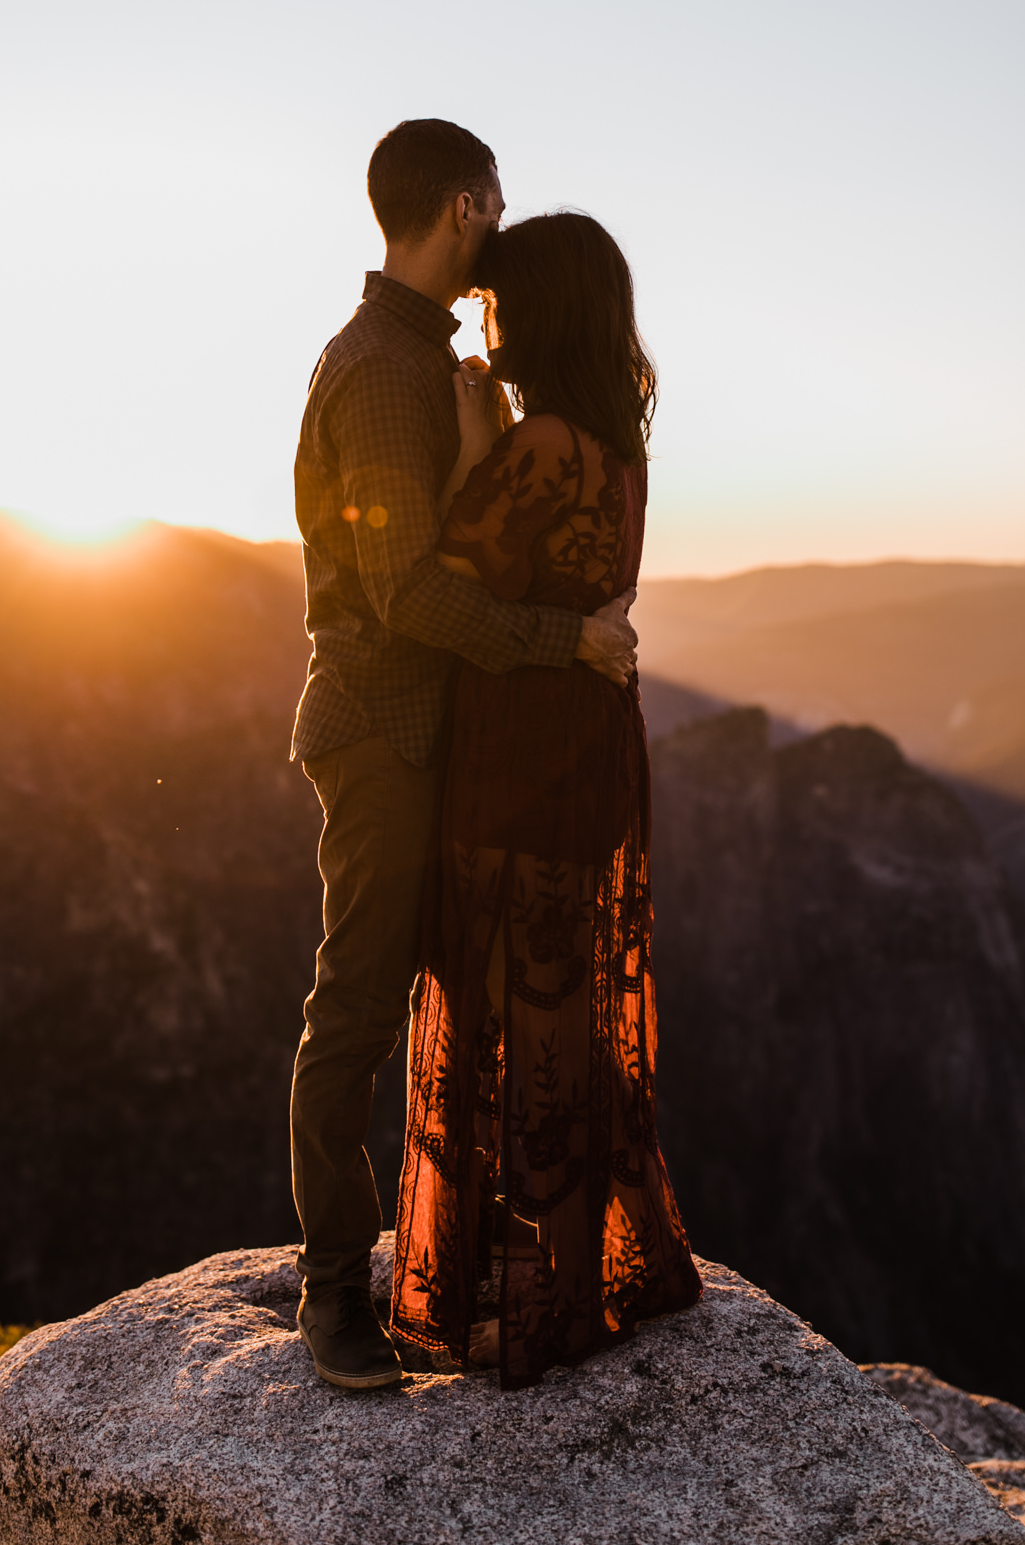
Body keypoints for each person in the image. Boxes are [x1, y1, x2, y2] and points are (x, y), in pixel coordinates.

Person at [290, 121, 639, 1391]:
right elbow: (404, 598)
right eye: (492, 212)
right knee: (359, 1012)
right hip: (384, 734)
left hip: (442, 739)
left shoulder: (424, 363)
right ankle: (333, 1297)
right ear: (462, 203)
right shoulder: (383, 369)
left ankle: (470, 1262)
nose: (501, 233)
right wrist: (568, 639)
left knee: (463, 1011)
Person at [391, 210, 701, 1389]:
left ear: (545, 310)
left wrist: (476, 439)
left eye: (504, 302)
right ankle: (582, 1269)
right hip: (587, 745)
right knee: (566, 1015)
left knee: (495, 1012)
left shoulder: (544, 445)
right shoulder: (612, 443)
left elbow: (450, 573)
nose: (487, 317)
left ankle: (516, 1297)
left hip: (516, 751)